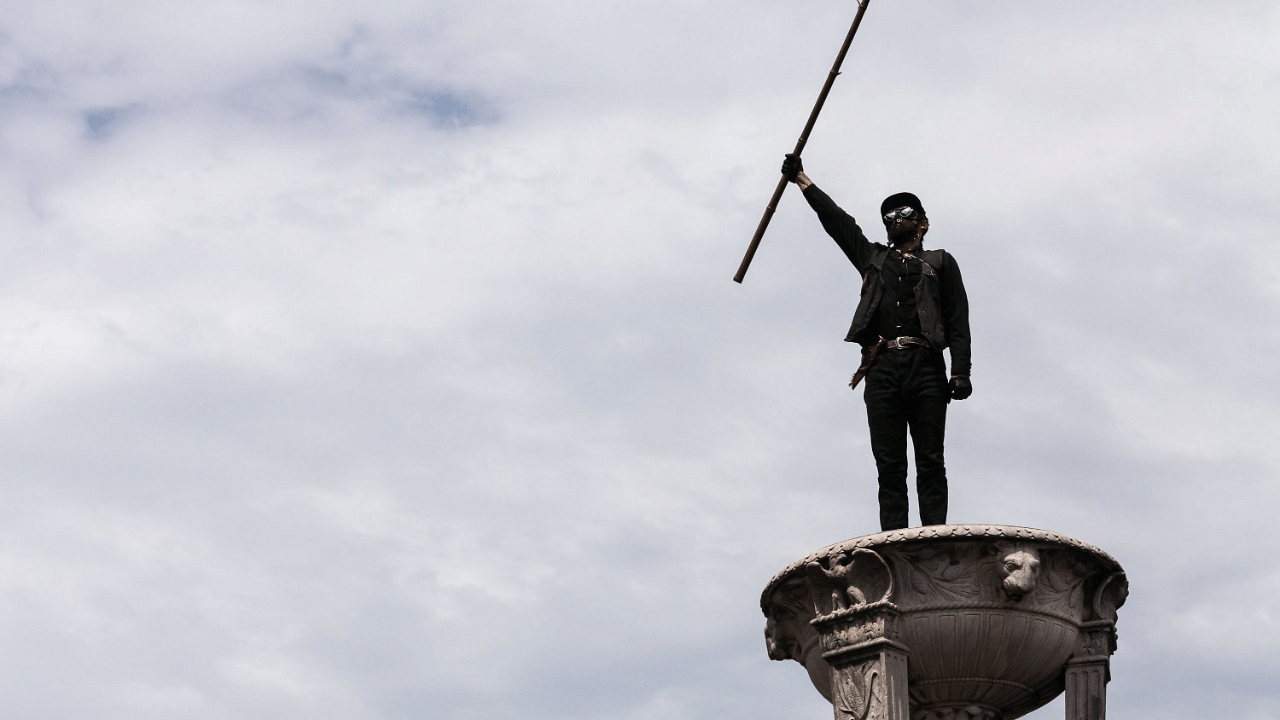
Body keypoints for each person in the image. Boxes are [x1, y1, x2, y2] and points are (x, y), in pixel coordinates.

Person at [781, 153, 971, 531]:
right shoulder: (873, 258)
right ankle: (895, 542)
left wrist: (960, 372)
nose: (895, 220)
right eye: (888, 217)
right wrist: (802, 180)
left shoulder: (941, 261)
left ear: (923, 222)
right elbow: (838, 223)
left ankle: (933, 535)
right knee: (889, 465)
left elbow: (958, 319)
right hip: (882, 367)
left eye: (903, 212)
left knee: (930, 460)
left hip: (926, 367)